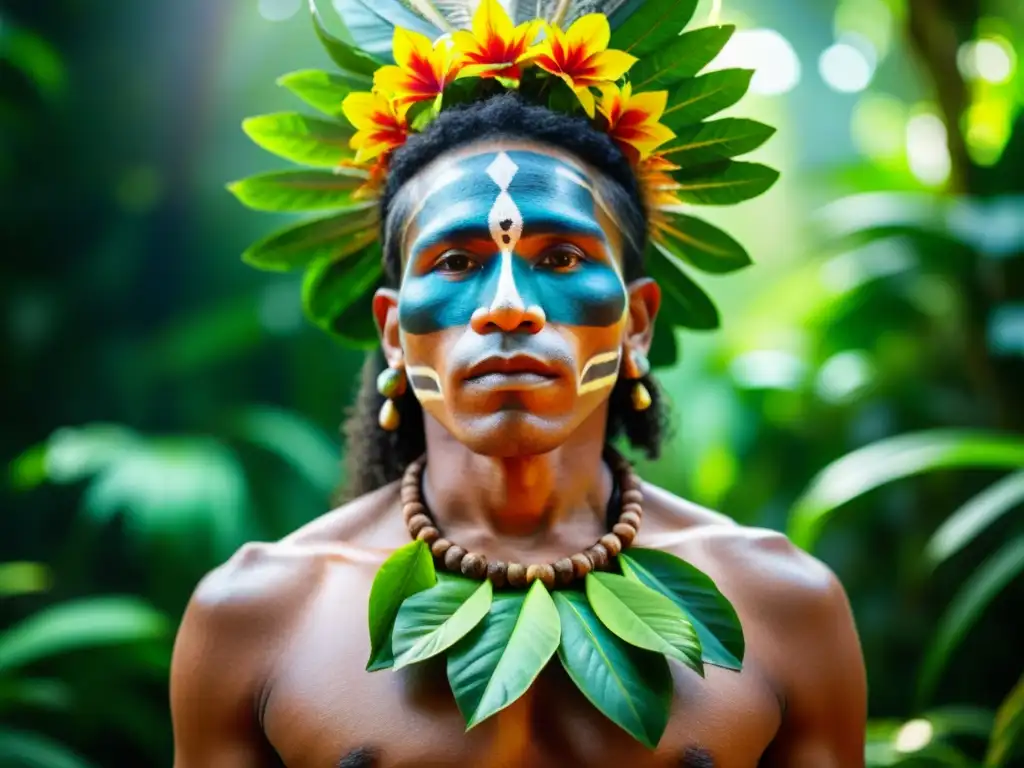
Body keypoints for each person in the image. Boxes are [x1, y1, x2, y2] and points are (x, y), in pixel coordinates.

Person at [170, 4, 867, 766]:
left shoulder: (784, 605)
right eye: (457, 262)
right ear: (394, 332)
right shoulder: (256, 616)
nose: (508, 305)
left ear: (636, 324)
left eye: (562, 257)